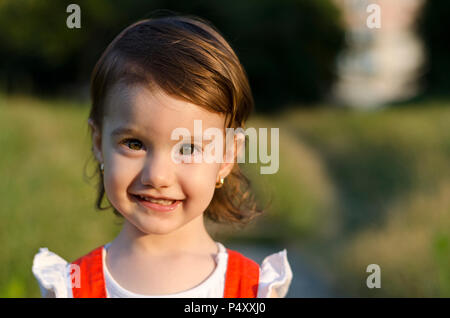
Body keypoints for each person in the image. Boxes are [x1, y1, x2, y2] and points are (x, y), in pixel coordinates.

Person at [32, 14, 292, 298]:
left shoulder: (253, 290)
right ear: (98, 142)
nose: (157, 175)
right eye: (134, 144)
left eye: (188, 148)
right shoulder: (72, 287)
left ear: (227, 157)